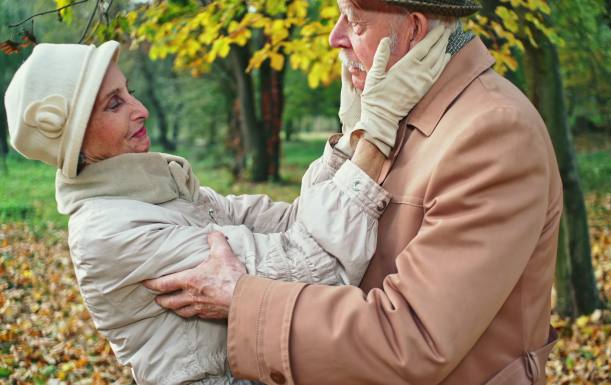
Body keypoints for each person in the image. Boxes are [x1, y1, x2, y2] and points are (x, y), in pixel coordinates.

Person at [4, 25, 452, 385]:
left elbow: (295, 222)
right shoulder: (111, 234)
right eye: (114, 104)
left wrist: (350, 134)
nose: (140, 110)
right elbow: (319, 269)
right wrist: (375, 133)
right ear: (76, 144)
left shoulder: (164, 193)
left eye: (130, 91)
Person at [146, 0, 564, 384]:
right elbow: (318, 237)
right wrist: (355, 139)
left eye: (355, 21)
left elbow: (414, 338)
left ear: (414, 30)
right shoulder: (396, 112)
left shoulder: (492, 132)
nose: (335, 37)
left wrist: (241, 301)